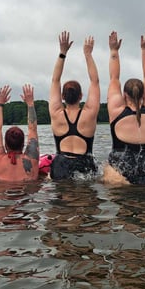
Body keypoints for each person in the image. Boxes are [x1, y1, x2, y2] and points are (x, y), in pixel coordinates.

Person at [102, 29, 145, 185]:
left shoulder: (116, 111)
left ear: (124, 95)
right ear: (144, 95)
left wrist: (114, 51)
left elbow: (114, 78)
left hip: (122, 173)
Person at [48, 30, 100, 180]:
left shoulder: (56, 113)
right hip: (85, 166)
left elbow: (55, 81)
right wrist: (88, 55)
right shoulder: (89, 114)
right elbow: (95, 81)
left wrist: (62, 53)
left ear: (62, 96)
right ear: (81, 96)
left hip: (60, 166)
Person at [0, 84, 40, 182]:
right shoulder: (32, 159)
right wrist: (30, 103)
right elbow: (32, 129)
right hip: (27, 196)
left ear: (5, 144)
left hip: (2, 194)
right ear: (23, 144)